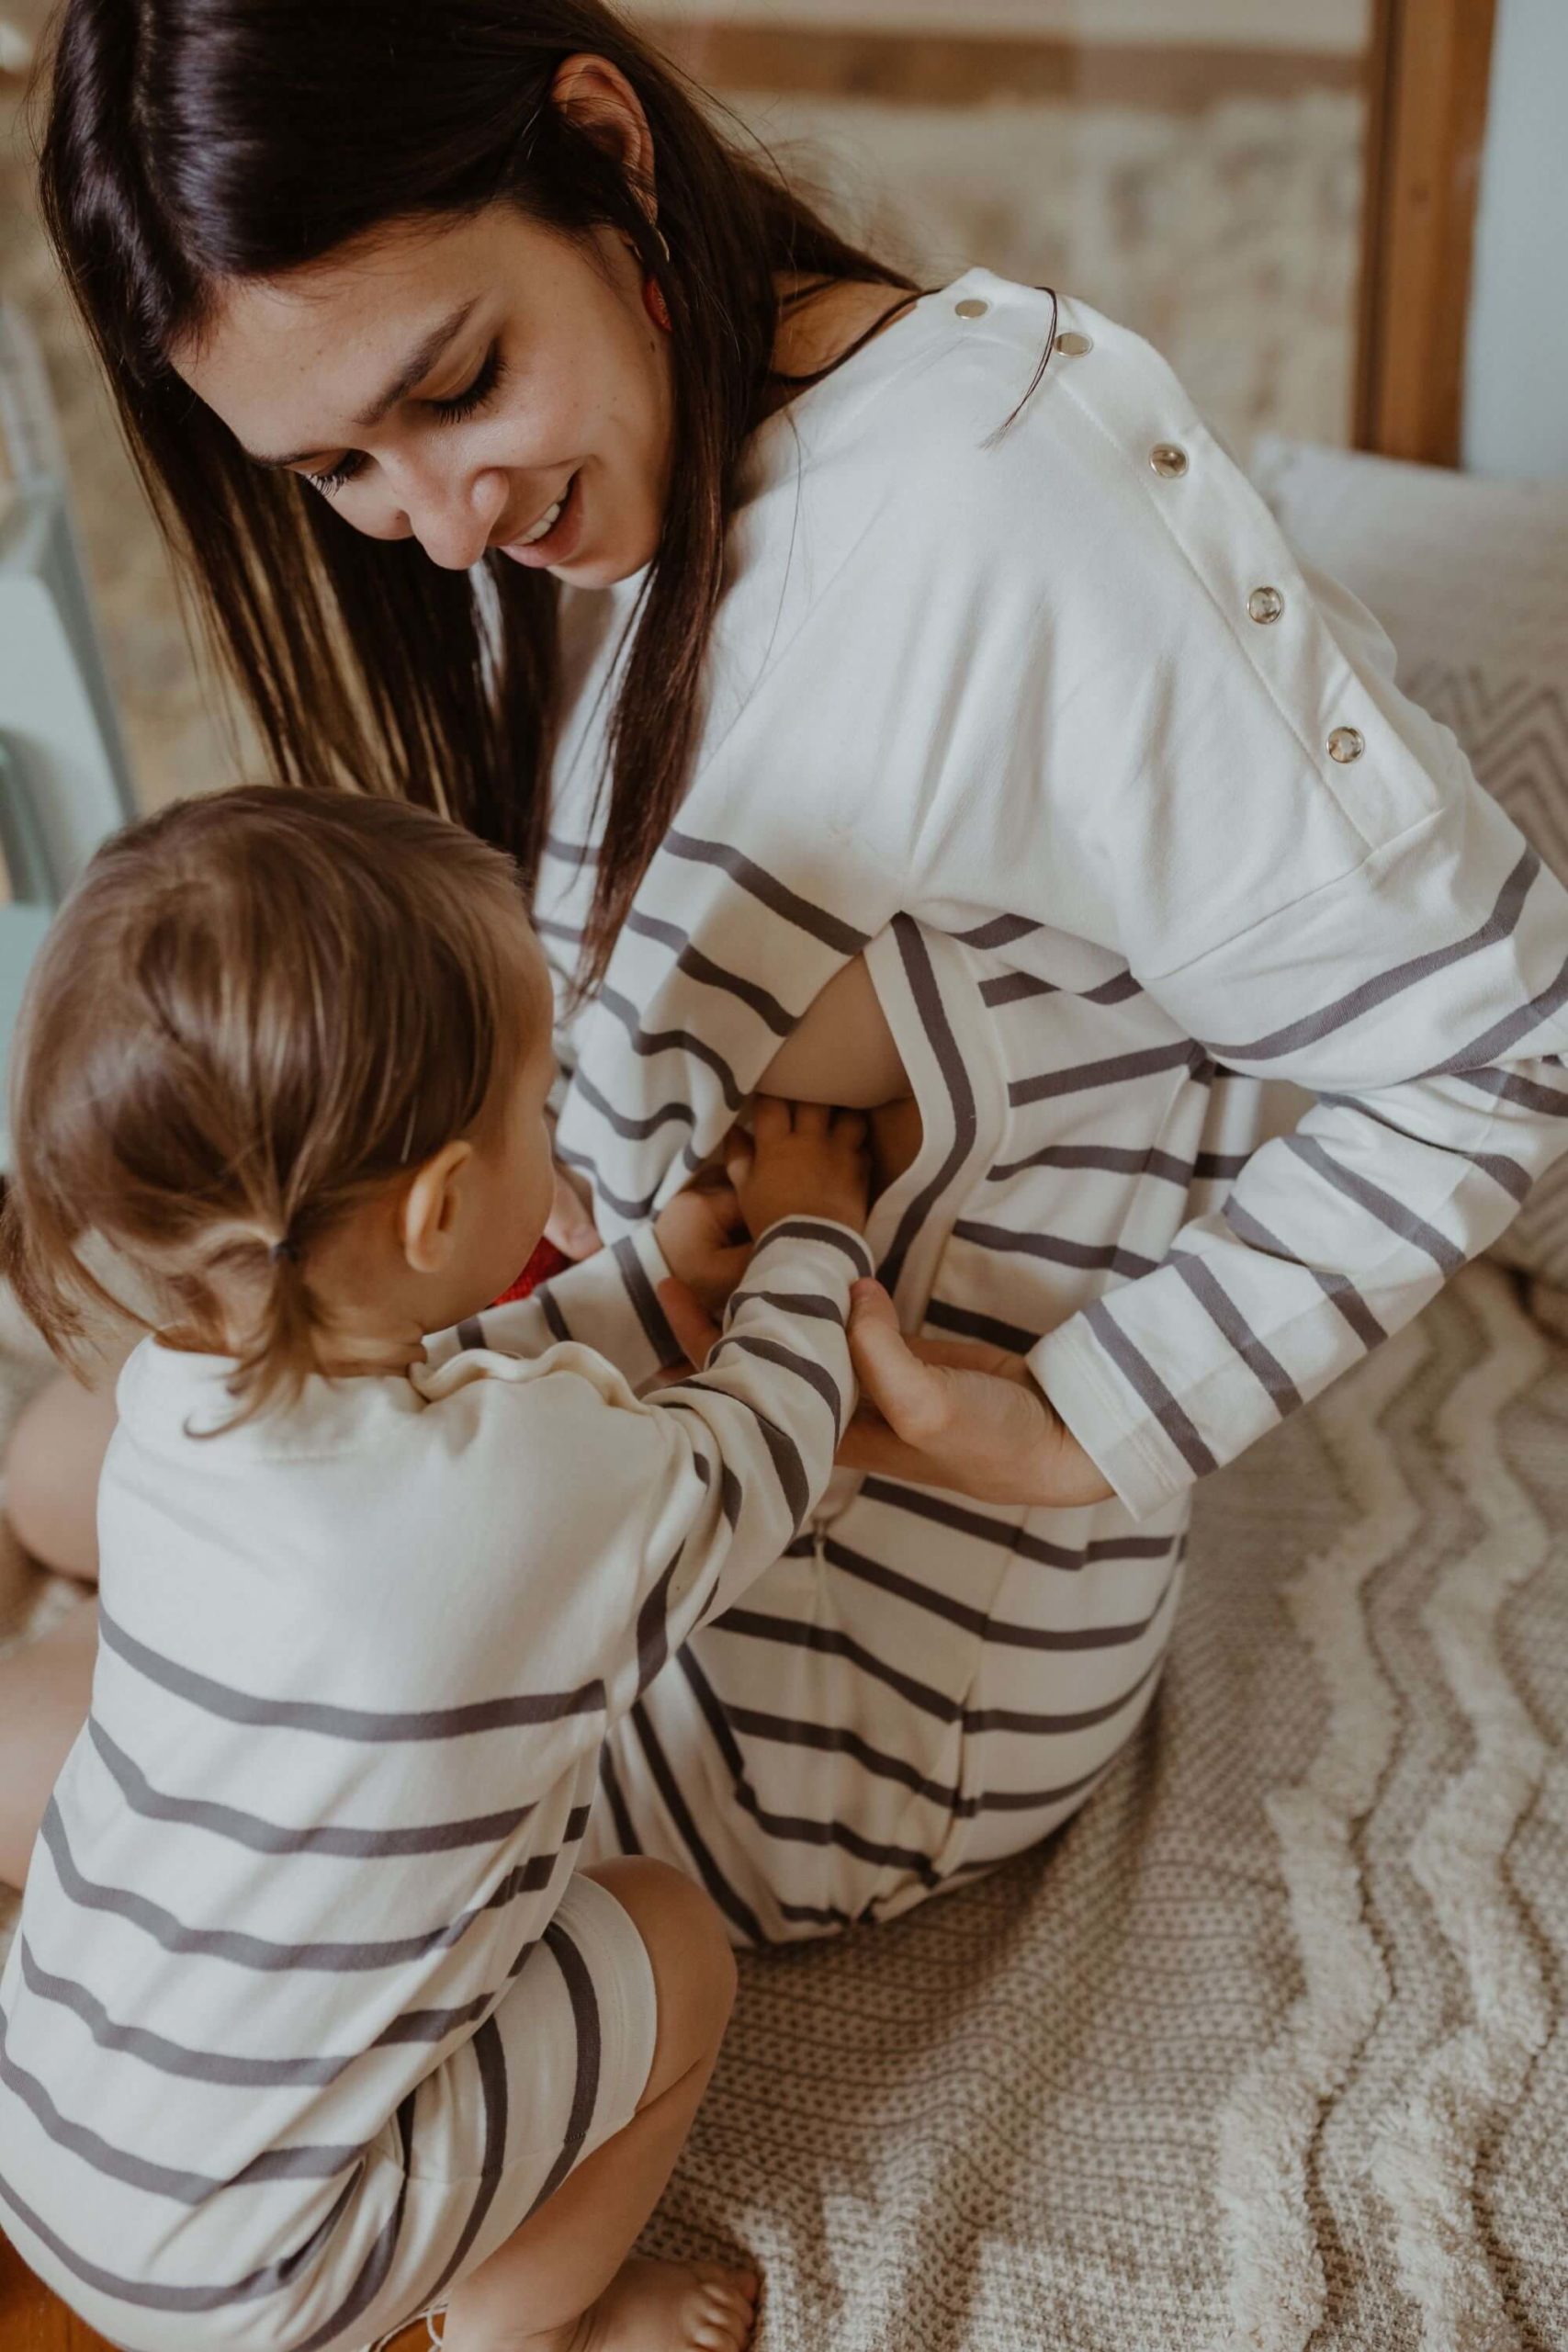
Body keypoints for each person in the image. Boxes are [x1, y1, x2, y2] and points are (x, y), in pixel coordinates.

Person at [6, 0, 1567, 2005]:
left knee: (56, 1720)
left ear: (602, 144)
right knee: (75, 1449)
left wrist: (1072, 1424)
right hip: (617, 1417)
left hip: (835, 1664)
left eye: (459, 384)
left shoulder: (1001, 519)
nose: (444, 521)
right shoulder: (652, 460)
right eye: (338, 468)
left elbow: (1495, 1037)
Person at [0, 782, 884, 2352]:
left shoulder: (175, 1390)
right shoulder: (542, 1494)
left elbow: (429, 1393)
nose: (563, 1140)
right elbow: (764, 1454)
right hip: (253, 2280)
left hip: (52, 2144)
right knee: (668, 1944)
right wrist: (813, 1241)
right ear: (436, 1210)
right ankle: (523, 2328)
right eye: (542, 1110)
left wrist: (636, 1286)